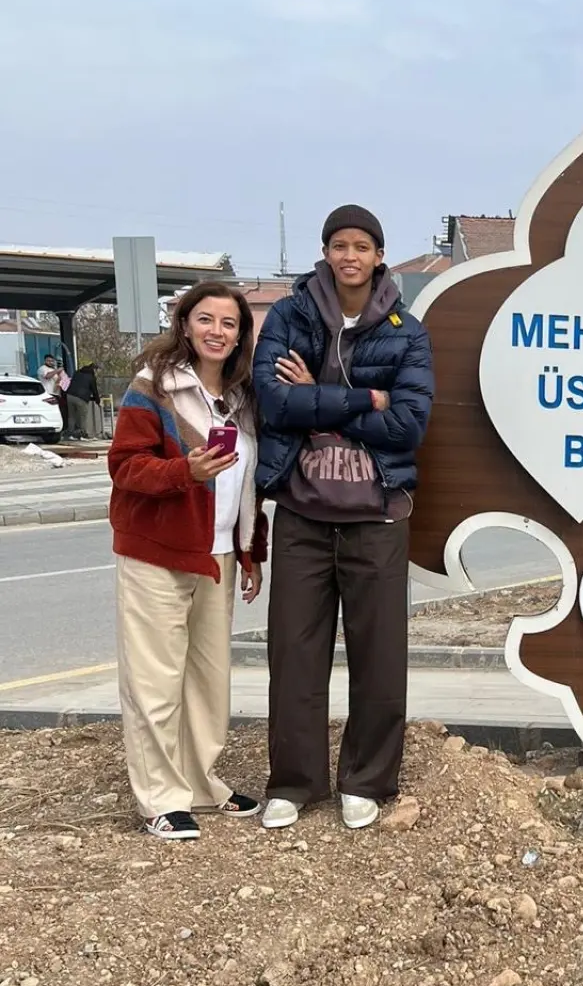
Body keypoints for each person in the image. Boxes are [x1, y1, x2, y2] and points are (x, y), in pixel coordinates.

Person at [253, 204, 434, 832]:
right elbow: (275, 401)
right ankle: (295, 782)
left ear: (379, 255)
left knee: (379, 655)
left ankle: (367, 780)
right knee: (294, 652)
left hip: (377, 513)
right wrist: (364, 397)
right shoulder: (289, 313)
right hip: (302, 511)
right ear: (326, 252)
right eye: (338, 245)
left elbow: (408, 424)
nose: (349, 255)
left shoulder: (405, 329)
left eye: (361, 245)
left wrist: (320, 395)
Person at [108, 283, 267, 841]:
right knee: (155, 678)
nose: (217, 331)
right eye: (207, 319)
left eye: (229, 323)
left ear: (241, 334)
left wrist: (250, 551)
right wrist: (186, 473)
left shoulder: (243, 397)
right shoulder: (154, 388)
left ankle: (201, 784)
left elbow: (249, 485)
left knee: (207, 680)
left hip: (219, 554)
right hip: (157, 554)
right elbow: (125, 466)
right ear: (184, 324)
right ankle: (160, 797)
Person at [66, 362, 101, 440]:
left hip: (69, 395)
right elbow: (94, 390)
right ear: (95, 369)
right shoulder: (91, 376)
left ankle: (70, 435)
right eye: (98, 370)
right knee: (82, 417)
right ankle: (82, 435)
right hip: (81, 398)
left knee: (71, 416)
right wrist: (98, 401)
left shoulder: (77, 372)